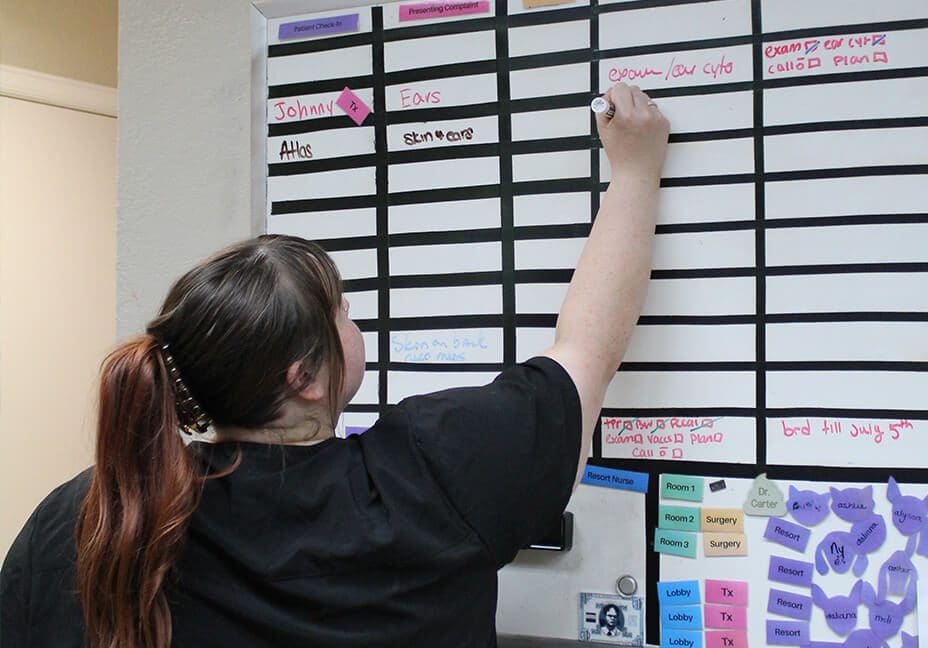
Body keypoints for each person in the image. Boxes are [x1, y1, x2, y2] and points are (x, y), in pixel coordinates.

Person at [0, 83, 669, 647]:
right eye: (341, 310)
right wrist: (636, 173)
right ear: (305, 378)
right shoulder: (433, 473)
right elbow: (587, 350)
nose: (354, 318)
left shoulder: (98, 510)